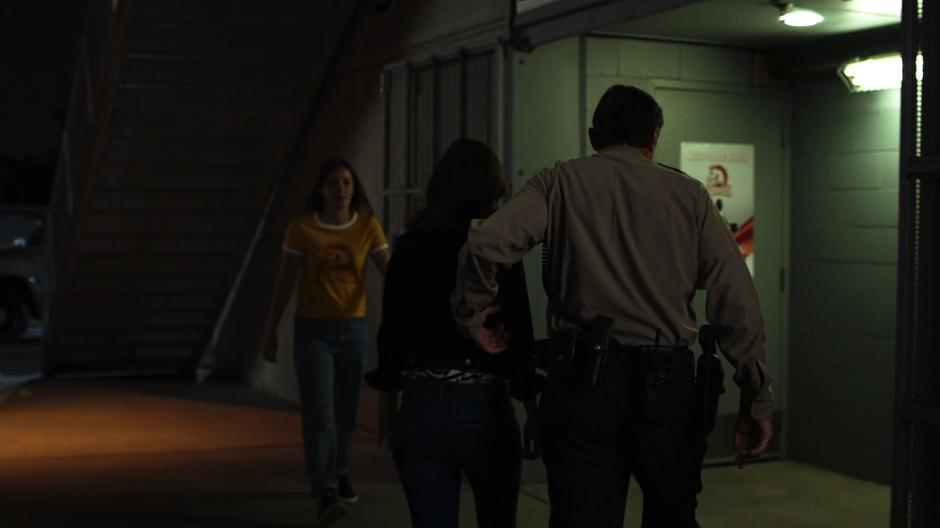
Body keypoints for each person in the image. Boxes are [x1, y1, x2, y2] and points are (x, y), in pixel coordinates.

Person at [451, 85, 773, 527]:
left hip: (583, 385)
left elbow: (485, 244)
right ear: (654, 137)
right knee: (672, 517)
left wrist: (472, 314)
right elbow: (736, 301)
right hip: (665, 387)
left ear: (592, 135)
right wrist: (756, 397)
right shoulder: (691, 197)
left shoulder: (558, 182)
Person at [366, 138, 542, 528]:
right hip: (484, 408)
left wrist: (389, 408)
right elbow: (519, 333)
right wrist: (531, 407)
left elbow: (391, 332)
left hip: (422, 406)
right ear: (491, 187)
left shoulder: (410, 247)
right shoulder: (496, 248)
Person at [260, 158, 390, 527]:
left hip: (352, 328)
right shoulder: (301, 229)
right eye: (333, 183)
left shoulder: (367, 228)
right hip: (313, 330)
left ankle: (341, 470)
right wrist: (270, 332)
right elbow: (283, 283)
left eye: (347, 182)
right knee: (320, 413)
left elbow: (392, 272)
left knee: (346, 411)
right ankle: (325, 487)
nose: (341, 189)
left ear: (354, 188)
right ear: (321, 189)